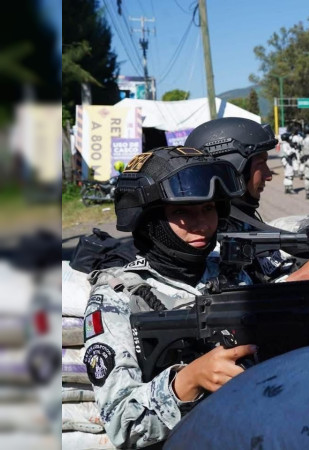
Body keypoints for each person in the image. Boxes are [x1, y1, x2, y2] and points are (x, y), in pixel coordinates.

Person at [82, 146, 256, 448]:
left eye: (208, 208)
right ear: (150, 220)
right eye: (181, 212)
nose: (202, 224)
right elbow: (123, 423)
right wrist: (187, 381)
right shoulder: (118, 295)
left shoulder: (232, 274)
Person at [185, 117, 309, 282]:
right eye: (260, 164)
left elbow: (265, 271)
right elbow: (230, 301)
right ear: (233, 170)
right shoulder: (210, 238)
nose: (268, 175)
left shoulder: (241, 222)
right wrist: (296, 280)